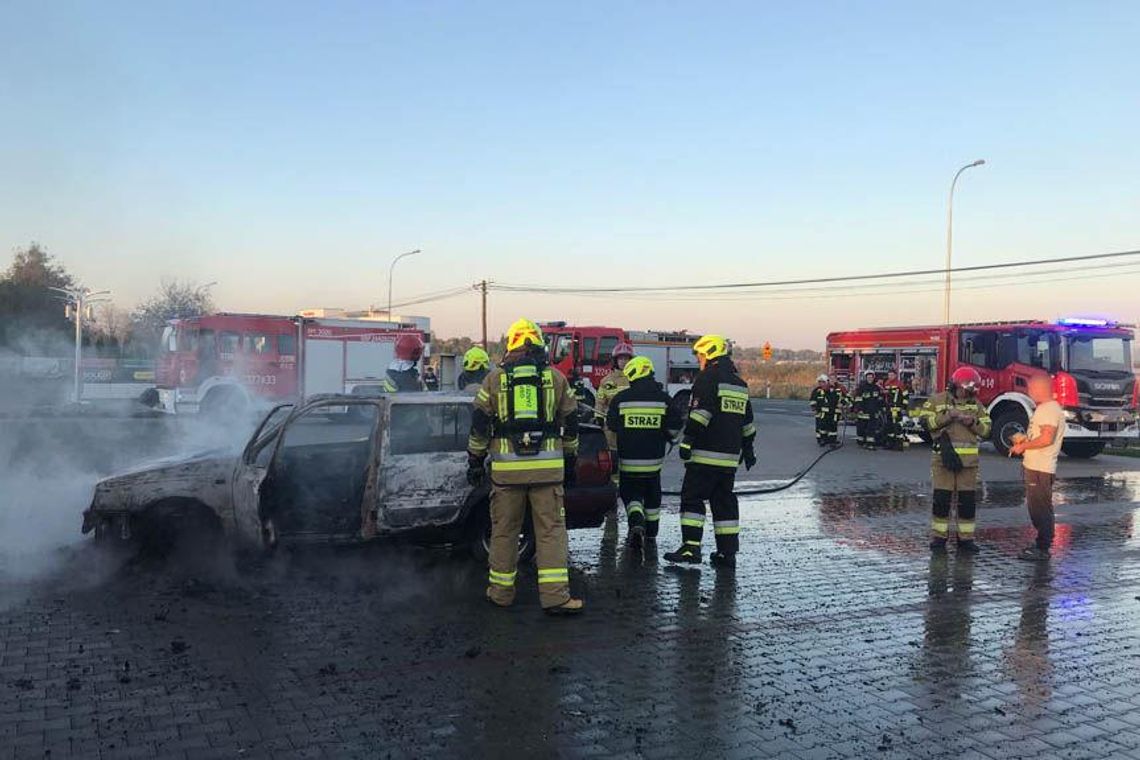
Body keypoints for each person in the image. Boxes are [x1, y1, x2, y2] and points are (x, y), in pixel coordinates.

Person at [466, 318, 583, 616]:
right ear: (538, 343)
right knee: (550, 532)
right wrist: (570, 459)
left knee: (504, 531)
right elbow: (571, 422)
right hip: (547, 471)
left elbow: (479, 424)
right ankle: (556, 598)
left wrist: (475, 460)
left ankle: (500, 594)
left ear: (513, 344)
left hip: (506, 473)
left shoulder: (493, 379)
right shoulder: (556, 378)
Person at [664, 334, 756, 570]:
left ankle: (691, 548)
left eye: (700, 354)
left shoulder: (707, 378)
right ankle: (727, 553)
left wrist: (687, 442)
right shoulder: (739, 384)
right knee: (723, 502)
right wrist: (749, 450)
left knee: (693, 498)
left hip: (705, 454)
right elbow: (748, 424)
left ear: (709, 353)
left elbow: (700, 414)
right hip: (729, 460)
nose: (699, 358)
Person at [605, 356, 683, 549]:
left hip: (629, 461)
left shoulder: (621, 399)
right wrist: (665, 434)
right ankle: (651, 534)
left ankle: (636, 521)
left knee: (630, 494)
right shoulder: (664, 399)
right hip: (654, 461)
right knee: (653, 495)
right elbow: (675, 426)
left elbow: (612, 426)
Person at [916, 367, 992, 553]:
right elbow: (925, 423)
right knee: (942, 500)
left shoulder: (976, 405)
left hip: (969, 464)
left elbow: (988, 430)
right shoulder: (937, 400)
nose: (969, 393)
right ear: (956, 385)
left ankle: (965, 540)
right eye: (967, 389)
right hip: (943, 460)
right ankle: (939, 539)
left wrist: (971, 422)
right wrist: (948, 416)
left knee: (967, 503)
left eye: (972, 390)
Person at [1010, 375, 1066, 561]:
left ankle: (1043, 547)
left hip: (1040, 469)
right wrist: (1025, 440)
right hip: (1035, 466)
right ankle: (1042, 543)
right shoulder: (1045, 408)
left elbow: (1046, 438)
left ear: (1041, 389)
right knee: (1038, 508)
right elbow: (1040, 435)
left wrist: (1022, 447)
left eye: (1032, 389)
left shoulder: (1049, 410)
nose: (1029, 392)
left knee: (1040, 509)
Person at [595, 341, 635, 447]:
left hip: (631, 423)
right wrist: (599, 417)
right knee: (612, 454)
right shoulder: (606, 381)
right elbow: (600, 402)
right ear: (615, 361)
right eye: (621, 358)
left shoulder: (636, 379)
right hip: (611, 425)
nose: (623, 362)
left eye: (626, 359)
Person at [809, 374, 845, 446]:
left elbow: (843, 399)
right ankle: (822, 440)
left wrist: (843, 405)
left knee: (832, 428)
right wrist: (814, 408)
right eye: (820, 382)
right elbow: (813, 400)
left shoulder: (837, 389)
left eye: (823, 382)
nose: (821, 383)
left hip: (833, 413)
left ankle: (831, 441)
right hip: (821, 413)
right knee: (821, 427)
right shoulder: (817, 390)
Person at [854, 371, 884, 449]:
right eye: (868, 377)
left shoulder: (877, 388)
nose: (870, 379)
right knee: (862, 428)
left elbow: (880, 399)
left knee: (872, 429)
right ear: (866, 378)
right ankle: (861, 442)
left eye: (871, 377)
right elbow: (858, 399)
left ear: (873, 378)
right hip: (863, 412)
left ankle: (870, 443)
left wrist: (881, 408)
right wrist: (859, 408)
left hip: (873, 412)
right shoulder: (862, 387)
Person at [882, 369, 910, 451]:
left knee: (897, 427)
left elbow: (905, 396)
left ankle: (898, 445)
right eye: (889, 375)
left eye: (892, 375)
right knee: (889, 426)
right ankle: (890, 444)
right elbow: (885, 396)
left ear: (895, 375)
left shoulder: (900, 384)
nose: (890, 376)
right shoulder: (886, 383)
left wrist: (904, 407)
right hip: (889, 408)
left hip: (897, 408)